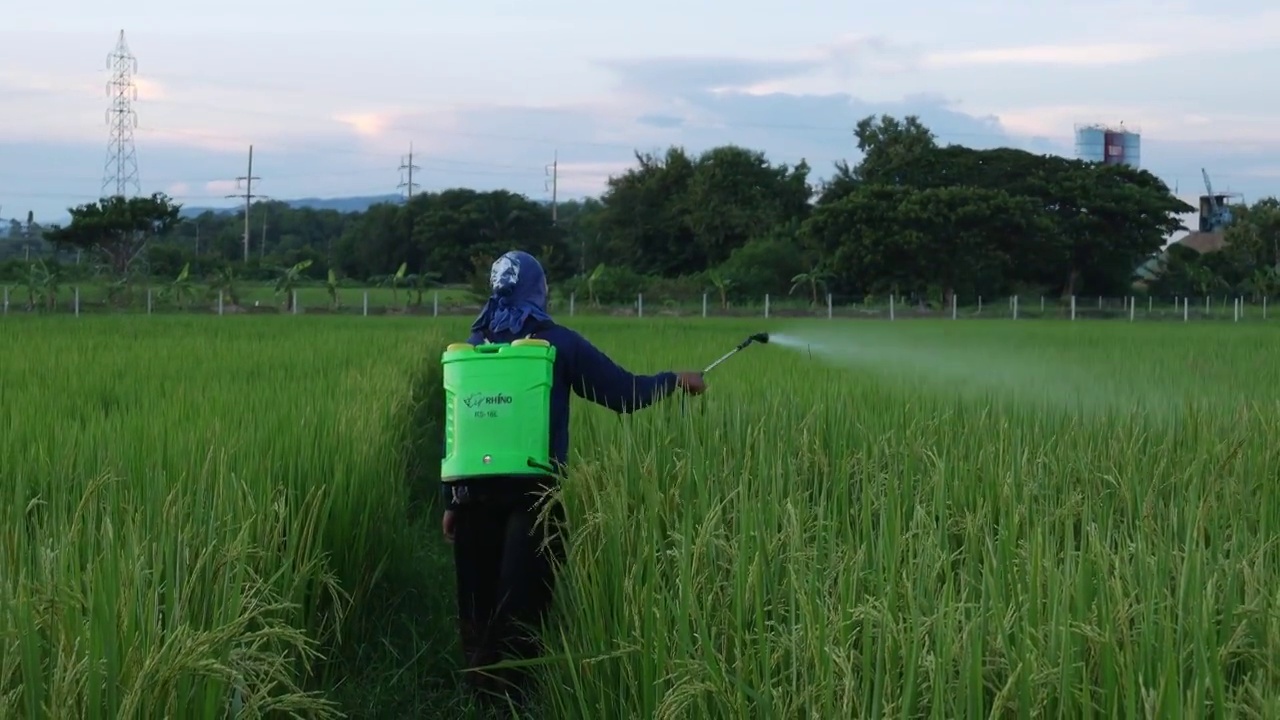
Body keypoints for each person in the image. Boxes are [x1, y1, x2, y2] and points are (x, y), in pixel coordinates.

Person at [442, 249, 705, 705]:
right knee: (522, 605)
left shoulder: (471, 346)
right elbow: (624, 394)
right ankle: (516, 701)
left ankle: (479, 699)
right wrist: (675, 379)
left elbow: (458, 427)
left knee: (478, 603)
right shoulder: (557, 343)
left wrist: (450, 499)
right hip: (534, 497)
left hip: (472, 496)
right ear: (538, 291)